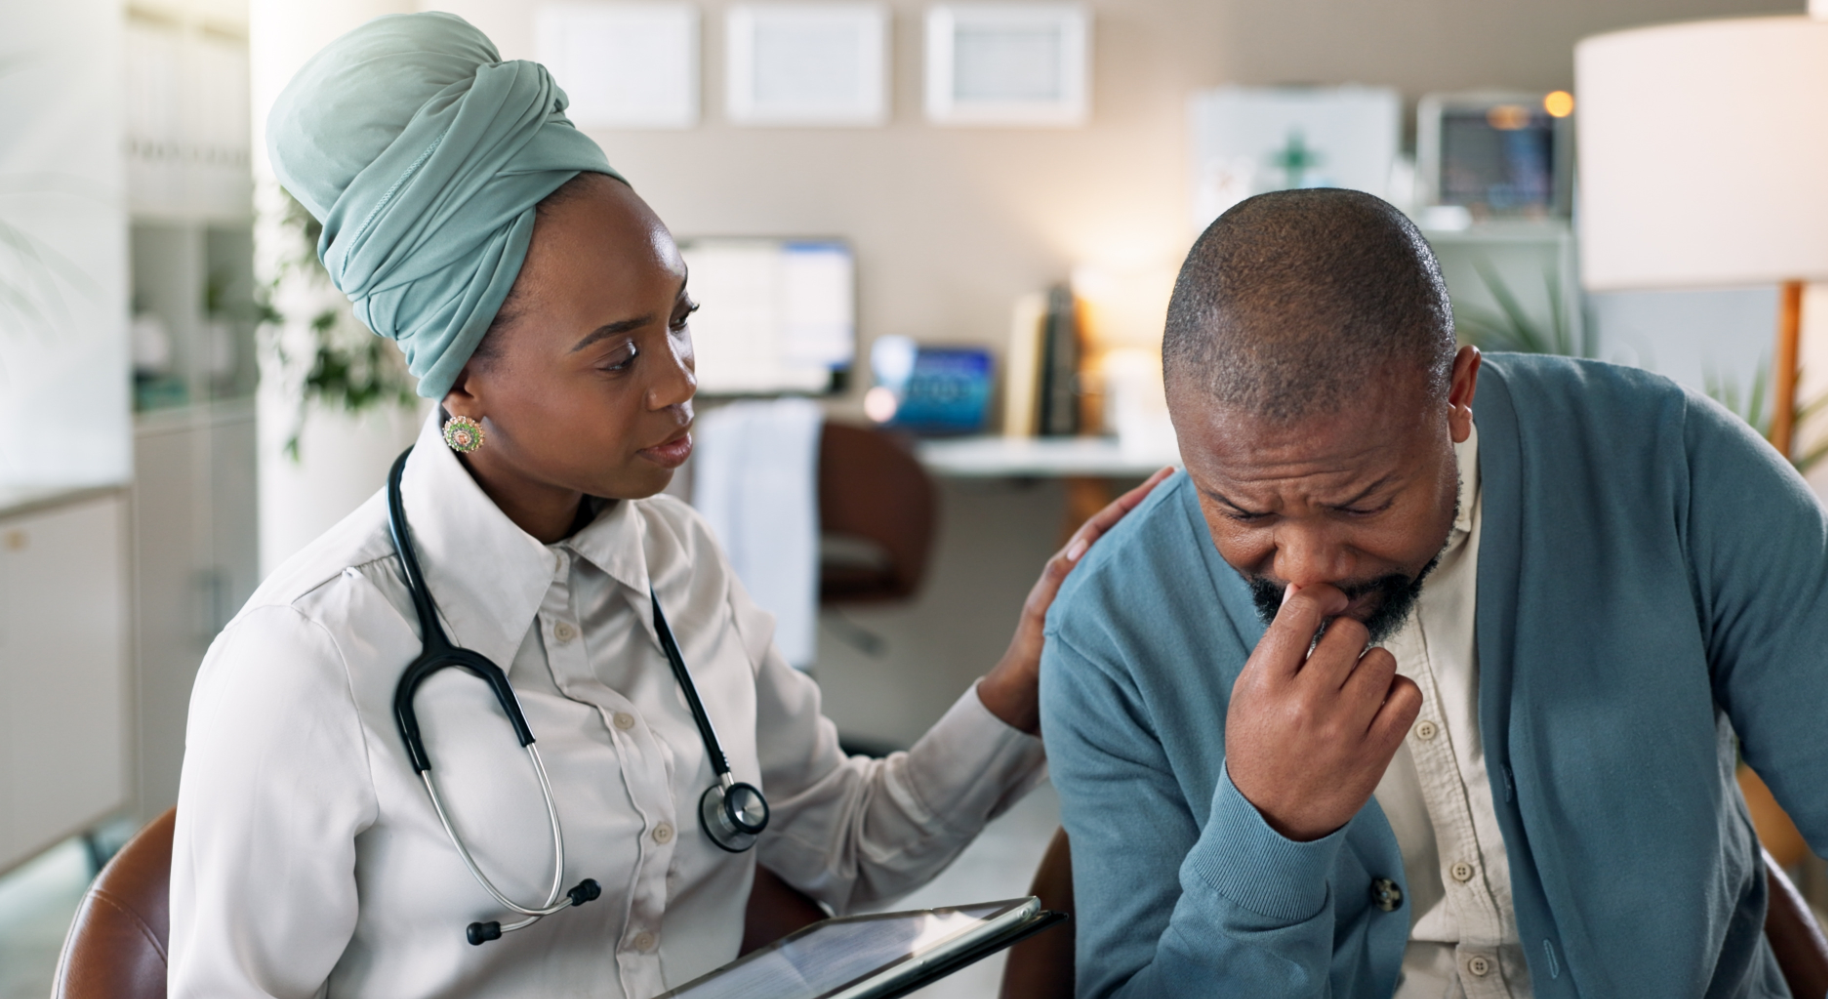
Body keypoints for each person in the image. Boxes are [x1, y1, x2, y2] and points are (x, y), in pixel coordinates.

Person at [167, 13, 1165, 997]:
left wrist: (1027, 672)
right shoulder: (303, 661)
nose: (679, 381)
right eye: (617, 354)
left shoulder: (680, 563)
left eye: (679, 319)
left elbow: (854, 850)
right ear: (464, 380)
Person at [1040, 189, 1828, 997]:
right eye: (1243, 511)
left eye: (1362, 502)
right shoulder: (1109, 636)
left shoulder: (1675, 472)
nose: (1305, 568)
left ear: (1455, 389)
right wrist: (1267, 835)